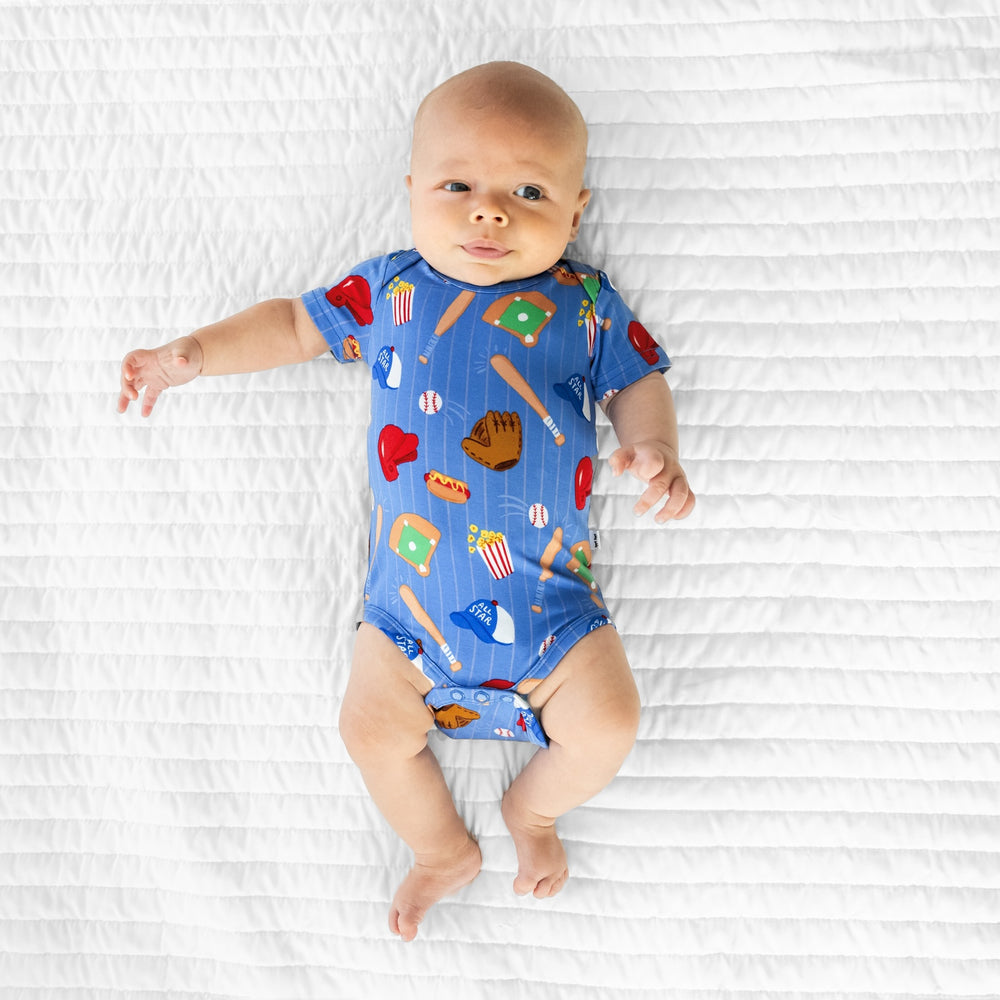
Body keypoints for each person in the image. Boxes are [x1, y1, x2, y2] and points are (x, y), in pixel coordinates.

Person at [117, 61, 695, 942]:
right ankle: (440, 850)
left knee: (610, 724)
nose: (488, 210)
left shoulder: (584, 303)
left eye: (528, 190)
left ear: (576, 213)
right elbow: (295, 326)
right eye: (458, 185)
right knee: (369, 730)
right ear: (413, 192)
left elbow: (638, 380)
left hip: (555, 619)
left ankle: (532, 815)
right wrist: (194, 352)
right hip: (407, 626)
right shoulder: (391, 289)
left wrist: (653, 446)